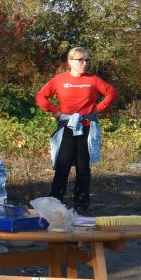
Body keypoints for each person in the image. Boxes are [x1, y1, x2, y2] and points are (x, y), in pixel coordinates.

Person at [35, 46, 117, 214]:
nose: (84, 63)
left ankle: (81, 204)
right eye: (80, 60)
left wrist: (97, 109)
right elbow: (40, 96)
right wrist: (54, 111)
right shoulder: (59, 79)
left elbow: (111, 92)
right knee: (62, 165)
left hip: (86, 128)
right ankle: (55, 201)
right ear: (70, 61)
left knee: (83, 168)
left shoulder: (93, 79)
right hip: (66, 127)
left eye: (87, 60)